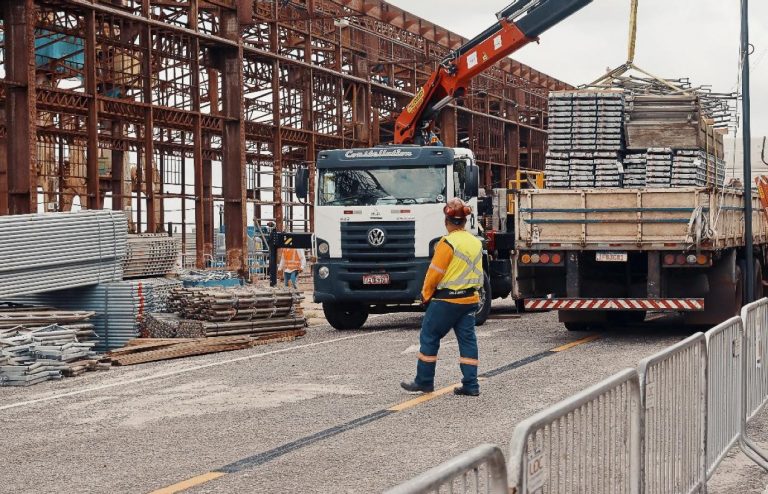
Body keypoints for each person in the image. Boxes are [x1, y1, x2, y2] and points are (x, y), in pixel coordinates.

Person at [401, 198, 484, 396]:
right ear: (465, 221)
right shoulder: (476, 242)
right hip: (469, 299)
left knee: (429, 336)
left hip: (447, 300)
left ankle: (424, 381)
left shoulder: (447, 243)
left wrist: (425, 295)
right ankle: (471, 385)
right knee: (468, 341)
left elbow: (435, 273)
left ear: (447, 221)